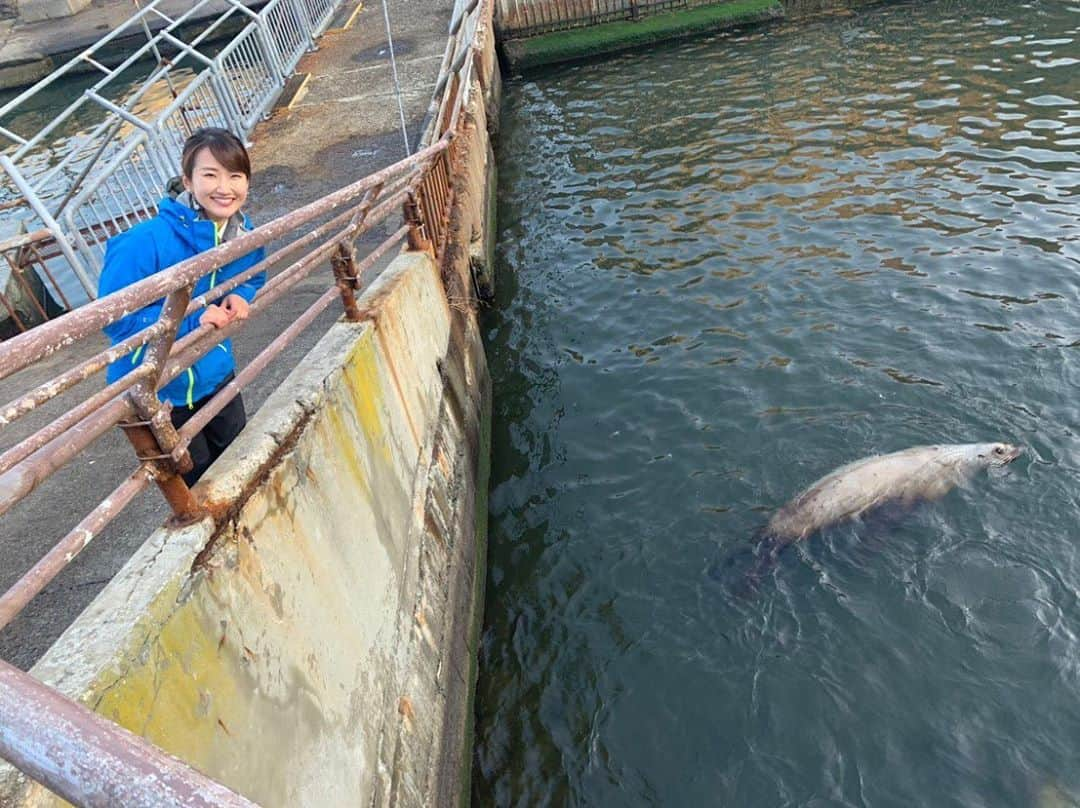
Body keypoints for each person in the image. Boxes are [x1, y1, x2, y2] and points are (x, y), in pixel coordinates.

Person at [99, 127, 266, 486]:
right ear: (187, 180)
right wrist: (191, 322)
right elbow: (116, 321)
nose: (225, 187)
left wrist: (242, 295)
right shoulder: (141, 243)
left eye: (235, 176)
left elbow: (253, 275)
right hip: (157, 390)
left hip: (215, 370)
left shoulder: (240, 231)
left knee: (240, 461)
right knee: (194, 482)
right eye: (210, 174)